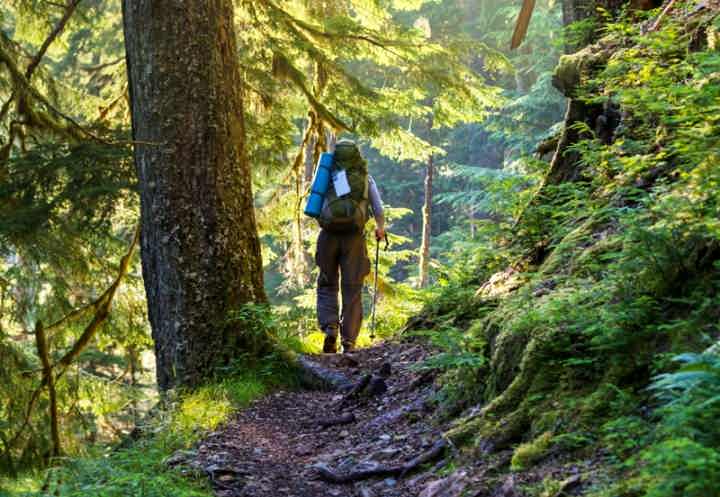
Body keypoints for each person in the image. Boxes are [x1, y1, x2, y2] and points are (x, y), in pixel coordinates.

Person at [315, 139, 385, 354]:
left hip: (328, 236)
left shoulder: (326, 175)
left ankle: (330, 328)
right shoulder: (365, 178)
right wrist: (380, 229)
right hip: (354, 238)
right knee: (352, 288)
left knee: (327, 284)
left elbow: (315, 203)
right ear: (357, 155)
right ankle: (349, 341)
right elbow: (378, 208)